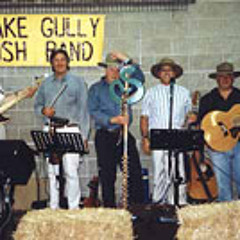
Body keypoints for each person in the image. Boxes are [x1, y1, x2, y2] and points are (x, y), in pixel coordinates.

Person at [34, 48, 89, 209]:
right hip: (51, 130)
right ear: (52, 63)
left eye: (62, 59)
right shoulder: (45, 84)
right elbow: (37, 106)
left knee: (71, 172)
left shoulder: (78, 82)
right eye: (56, 60)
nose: (59, 63)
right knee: (52, 172)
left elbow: (84, 111)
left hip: (70, 130)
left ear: (67, 62)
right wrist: (44, 111)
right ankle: (53, 206)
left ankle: (73, 208)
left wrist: (84, 135)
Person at [88, 51, 144, 208]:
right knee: (107, 175)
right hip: (105, 135)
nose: (115, 72)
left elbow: (140, 79)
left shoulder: (126, 86)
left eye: (118, 68)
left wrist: (125, 58)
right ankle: (109, 210)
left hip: (124, 133)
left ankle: (136, 208)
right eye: (111, 68)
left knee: (134, 172)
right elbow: (93, 111)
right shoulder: (95, 89)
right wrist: (112, 120)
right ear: (105, 70)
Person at [140, 58, 191, 205]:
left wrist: (190, 119)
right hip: (158, 137)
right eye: (164, 70)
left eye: (170, 70)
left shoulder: (184, 92)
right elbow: (144, 117)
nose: (167, 73)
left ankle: (178, 202)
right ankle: (158, 203)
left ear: (175, 73)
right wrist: (145, 138)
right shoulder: (151, 92)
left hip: (177, 136)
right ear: (159, 74)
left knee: (178, 172)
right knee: (160, 172)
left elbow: (189, 116)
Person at [198, 62, 240, 202]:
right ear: (216, 79)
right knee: (223, 185)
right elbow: (202, 125)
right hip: (217, 147)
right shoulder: (207, 99)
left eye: (228, 76)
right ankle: (225, 217)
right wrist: (208, 143)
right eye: (221, 76)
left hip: (238, 145)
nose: (225, 79)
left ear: (233, 78)